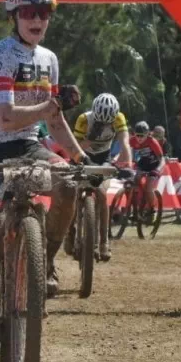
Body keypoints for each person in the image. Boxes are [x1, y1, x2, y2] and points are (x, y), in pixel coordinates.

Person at [0, 0, 86, 362]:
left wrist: (83, 157)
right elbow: (5, 118)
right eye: (30, 12)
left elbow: (54, 119)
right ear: (15, 16)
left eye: (44, 13)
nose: (38, 20)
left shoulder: (49, 59)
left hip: (30, 145)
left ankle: (44, 261)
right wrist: (50, 106)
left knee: (68, 182)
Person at [72, 92, 132, 262]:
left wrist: (128, 166)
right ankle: (72, 231)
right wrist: (91, 138)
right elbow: (74, 147)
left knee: (102, 194)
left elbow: (125, 144)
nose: (104, 124)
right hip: (83, 155)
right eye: (101, 121)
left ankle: (104, 242)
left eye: (108, 122)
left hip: (104, 158)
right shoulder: (84, 119)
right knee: (73, 192)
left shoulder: (118, 118)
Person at [130, 120, 166, 220]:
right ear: (134, 134)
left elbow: (162, 158)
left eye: (142, 136)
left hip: (155, 164)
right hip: (143, 163)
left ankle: (152, 210)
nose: (139, 138)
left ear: (147, 135)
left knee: (148, 186)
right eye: (137, 135)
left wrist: (158, 170)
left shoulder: (152, 141)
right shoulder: (132, 140)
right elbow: (126, 152)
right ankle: (136, 210)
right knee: (134, 182)